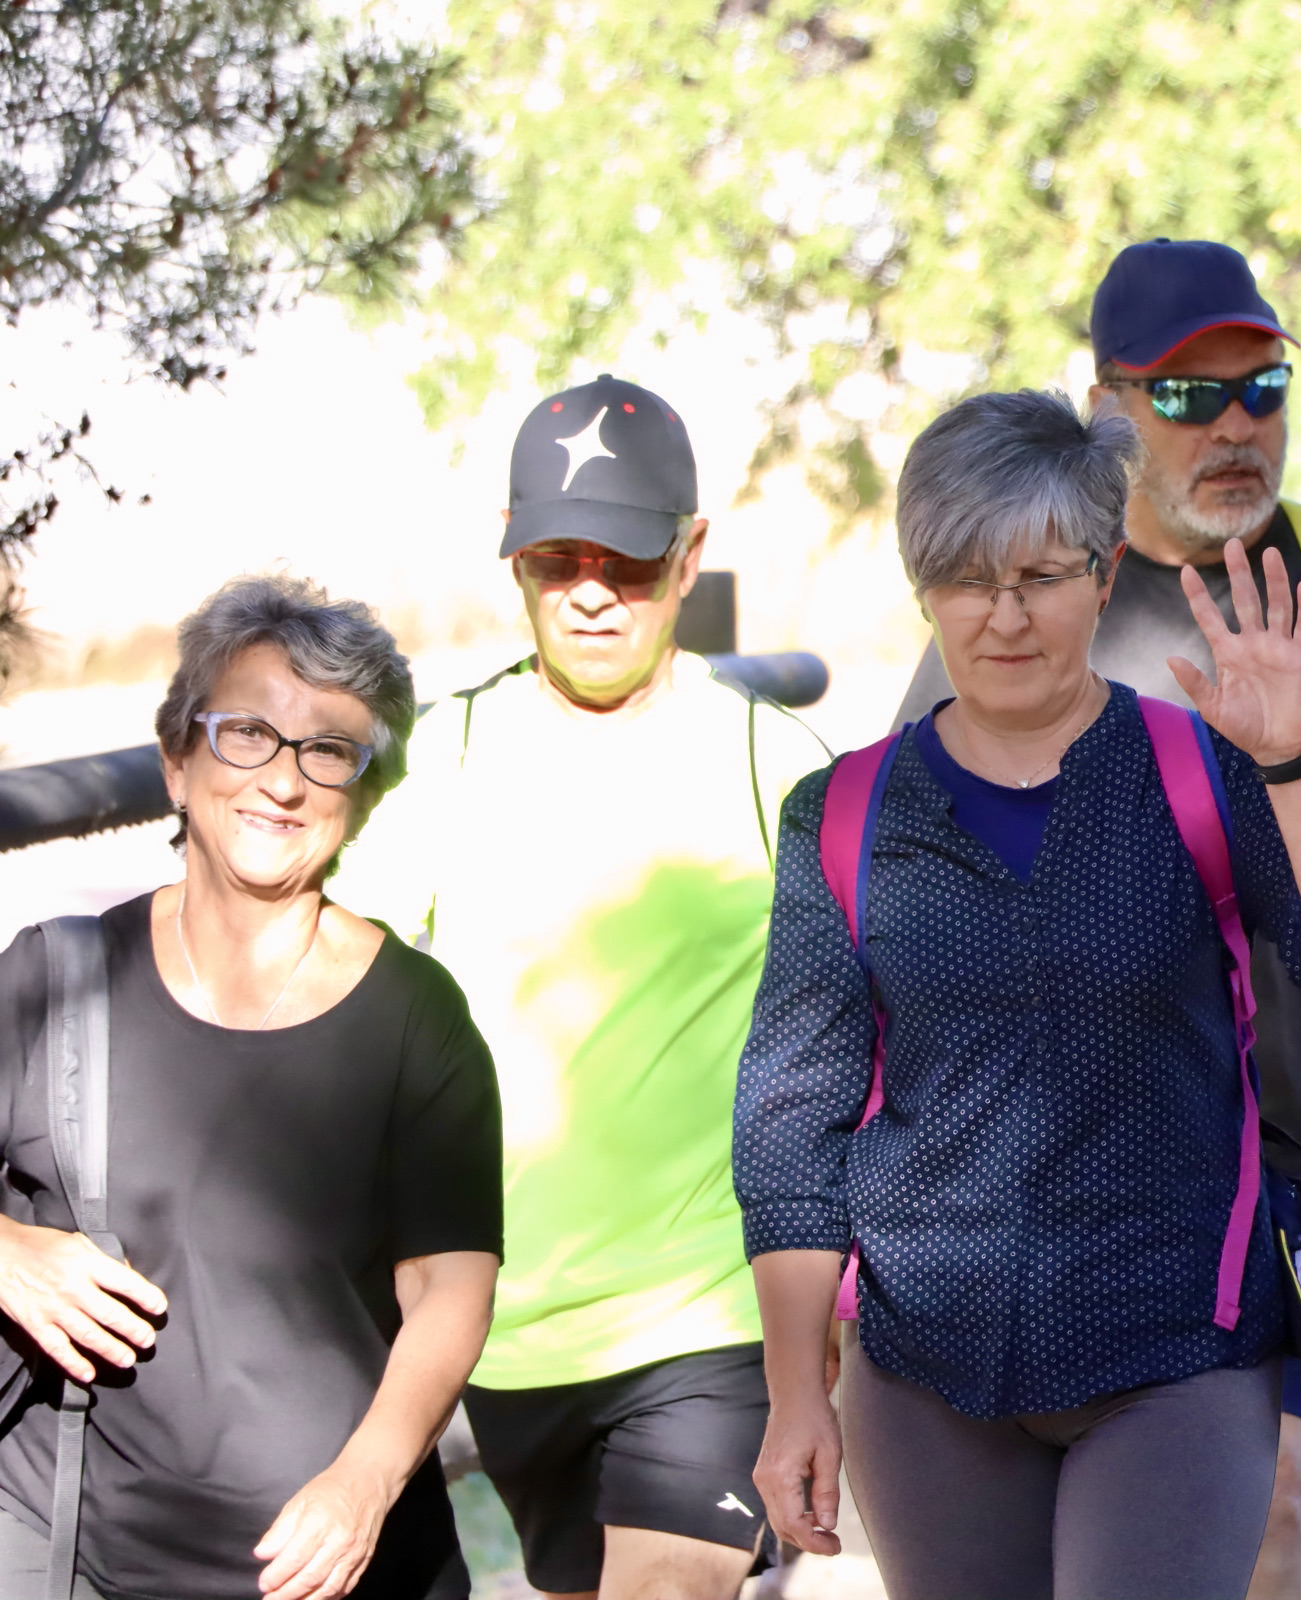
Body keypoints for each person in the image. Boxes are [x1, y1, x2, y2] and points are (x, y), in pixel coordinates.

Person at [740, 389, 1301, 1600]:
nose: (1004, 618)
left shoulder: (1203, 768)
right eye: (966, 579)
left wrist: (1293, 758)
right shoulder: (843, 815)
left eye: (1042, 576)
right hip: (925, 1372)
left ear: (1105, 575)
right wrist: (799, 1394)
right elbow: (795, 1126)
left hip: (1177, 1350)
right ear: (924, 591)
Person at [888, 238, 1301, 1598]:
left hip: (1293, 1157)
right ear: (1107, 402)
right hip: (1050, 1166)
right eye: (1185, 396)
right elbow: (908, 902)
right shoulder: (1025, 579)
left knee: (1258, 1520)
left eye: (1260, 386)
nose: (1232, 426)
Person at [336, 377, 826, 1599]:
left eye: (630, 557)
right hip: (503, 1333)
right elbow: (332, 996)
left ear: (690, 552)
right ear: (515, 565)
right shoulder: (440, 760)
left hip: (715, 1314)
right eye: (558, 559)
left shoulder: (777, 765)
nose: (594, 588)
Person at [0, 575, 503, 1599]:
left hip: (342, 1571)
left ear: (362, 796)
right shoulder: (50, 977)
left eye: (328, 751)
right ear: (176, 762)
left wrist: (364, 1486)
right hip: (80, 1562)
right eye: (247, 735)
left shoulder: (416, 1015)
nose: (282, 781)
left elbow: (449, 1286)